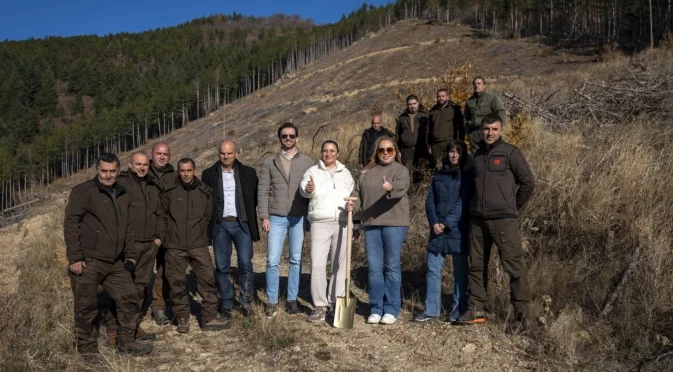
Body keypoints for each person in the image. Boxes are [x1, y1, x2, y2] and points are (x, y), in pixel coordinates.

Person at [64, 153, 153, 357]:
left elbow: (128, 227)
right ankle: (88, 352)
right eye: (104, 171)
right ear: (97, 170)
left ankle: (126, 342)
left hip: (115, 261)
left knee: (130, 297)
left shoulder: (123, 193)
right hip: (89, 260)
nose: (108, 175)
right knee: (86, 306)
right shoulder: (83, 191)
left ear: (118, 171)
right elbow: (70, 224)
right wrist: (75, 257)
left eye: (112, 171)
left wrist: (130, 255)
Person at [456, 113, 535, 334]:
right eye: (486, 129)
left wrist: (512, 207)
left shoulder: (511, 153)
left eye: (494, 129)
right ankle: (476, 309)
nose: (490, 133)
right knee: (477, 265)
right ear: (481, 130)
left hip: (504, 222)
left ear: (501, 130)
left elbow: (528, 183)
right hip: (478, 222)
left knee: (513, 267)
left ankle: (521, 316)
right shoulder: (477, 156)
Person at [159, 158, 230, 333]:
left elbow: (208, 217)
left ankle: (209, 317)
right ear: (178, 171)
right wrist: (164, 237)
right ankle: (182, 318)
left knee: (207, 281)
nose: (185, 174)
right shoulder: (169, 192)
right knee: (176, 283)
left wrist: (202, 238)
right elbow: (162, 215)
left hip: (198, 245)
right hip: (175, 246)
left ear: (194, 170)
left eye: (189, 170)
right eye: (182, 170)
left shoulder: (205, 192)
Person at [346, 136, 410, 325]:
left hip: (395, 224)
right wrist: (355, 219)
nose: (385, 153)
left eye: (389, 150)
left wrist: (391, 187)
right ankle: (376, 307)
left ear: (395, 151)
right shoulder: (366, 172)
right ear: (376, 152)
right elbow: (356, 195)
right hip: (371, 224)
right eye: (382, 150)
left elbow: (402, 187)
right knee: (374, 268)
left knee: (391, 265)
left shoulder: (401, 170)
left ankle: (391, 308)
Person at [103, 151, 162, 345]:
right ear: (130, 165)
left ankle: (132, 326)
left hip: (149, 245)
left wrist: (158, 238)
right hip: (128, 245)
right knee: (120, 288)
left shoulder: (153, 185)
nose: (142, 167)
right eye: (138, 164)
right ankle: (113, 328)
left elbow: (160, 213)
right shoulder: (121, 183)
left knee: (139, 287)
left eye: (145, 164)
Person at [258, 123, 314, 318]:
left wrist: (310, 217)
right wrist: (264, 216)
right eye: (284, 136)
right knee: (272, 261)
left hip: (298, 217)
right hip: (276, 217)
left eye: (291, 136)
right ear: (279, 138)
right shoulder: (269, 162)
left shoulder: (308, 162)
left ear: (297, 138)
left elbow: (313, 192)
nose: (288, 139)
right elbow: (263, 191)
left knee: (295, 260)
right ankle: (272, 301)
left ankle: (292, 300)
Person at [414, 140, 473, 324]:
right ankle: (431, 309)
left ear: (463, 155)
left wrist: (447, 223)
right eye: (451, 152)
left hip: (457, 230)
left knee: (460, 272)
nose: (454, 155)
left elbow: (463, 202)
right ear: (447, 154)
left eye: (458, 152)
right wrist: (434, 222)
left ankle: (457, 308)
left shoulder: (466, 175)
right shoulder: (439, 174)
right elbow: (430, 199)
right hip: (437, 230)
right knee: (432, 269)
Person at [202, 140, 259, 319]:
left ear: (236, 153)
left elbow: (254, 198)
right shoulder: (208, 174)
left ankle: (245, 301)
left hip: (242, 224)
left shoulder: (248, 173)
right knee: (222, 267)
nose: (226, 157)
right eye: (222, 153)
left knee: (245, 263)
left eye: (229, 153)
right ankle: (226, 302)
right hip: (220, 226)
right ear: (218, 154)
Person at [299, 140, 355, 323]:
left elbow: (354, 197)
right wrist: (309, 189)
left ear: (338, 153)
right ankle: (320, 305)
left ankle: (336, 302)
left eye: (332, 151)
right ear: (321, 153)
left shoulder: (346, 173)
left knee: (340, 265)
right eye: (325, 151)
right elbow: (305, 189)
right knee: (317, 263)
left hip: (342, 222)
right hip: (320, 222)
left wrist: (352, 208)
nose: (328, 154)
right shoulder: (312, 172)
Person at [148, 141, 175, 325]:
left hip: (167, 230)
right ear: (152, 154)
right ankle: (134, 306)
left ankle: (159, 307)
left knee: (164, 270)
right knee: (140, 271)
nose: (162, 156)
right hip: (145, 231)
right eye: (159, 153)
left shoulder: (174, 176)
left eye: (165, 154)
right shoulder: (141, 173)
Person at [464, 77, 506, 154]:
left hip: (488, 133)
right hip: (474, 135)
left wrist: (497, 129)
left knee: (491, 155)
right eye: (475, 84)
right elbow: (465, 118)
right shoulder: (469, 101)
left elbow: (501, 112)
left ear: (484, 85)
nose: (477, 85)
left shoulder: (492, 98)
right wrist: (468, 132)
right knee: (477, 158)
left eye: (479, 83)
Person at [427, 89, 464, 169]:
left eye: (443, 96)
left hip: (450, 141)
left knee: (452, 164)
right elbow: (428, 129)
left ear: (447, 97)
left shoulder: (454, 108)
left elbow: (461, 126)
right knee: (438, 167)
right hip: (436, 144)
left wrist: (460, 142)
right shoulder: (433, 111)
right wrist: (429, 145)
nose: (441, 98)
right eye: (439, 96)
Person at [395, 94, 429, 181]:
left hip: (422, 148)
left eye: (414, 104)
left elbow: (429, 132)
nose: (412, 106)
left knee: (421, 171)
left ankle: (420, 192)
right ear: (407, 105)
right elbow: (397, 135)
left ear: (418, 103)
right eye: (410, 104)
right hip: (407, 150)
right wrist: (397, 150)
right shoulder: (401, 118)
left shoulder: (425, 115)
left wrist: (429, 146)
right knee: (407, 172)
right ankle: (409, 192)